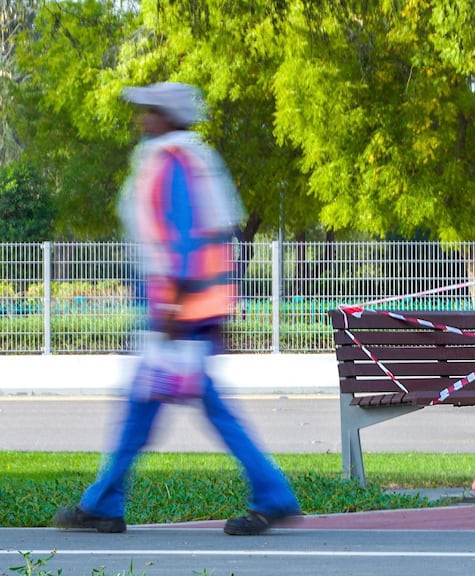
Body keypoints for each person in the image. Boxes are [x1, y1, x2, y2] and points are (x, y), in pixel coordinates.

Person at [53, 82, 301, 536]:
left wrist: (169, 307)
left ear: (168, 116)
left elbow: (183, 240)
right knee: (170, 409)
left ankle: (106, 502)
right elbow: (214, 239)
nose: (142, 118)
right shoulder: (196, 158)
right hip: (191, 312)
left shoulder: (171, 161)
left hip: (174, 313)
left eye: (150, 110)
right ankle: (269, 493)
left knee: (148, 409)